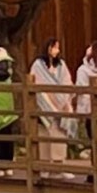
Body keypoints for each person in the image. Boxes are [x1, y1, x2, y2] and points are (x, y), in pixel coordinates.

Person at [28, 37, 77, 169]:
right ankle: (44, 167)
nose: (57, 50)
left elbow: (67, 82)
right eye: (55, 47)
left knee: (59, 135)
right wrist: (49, 101)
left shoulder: (61, 65)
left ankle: (59, 166)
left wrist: (64, 101)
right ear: (48, 48)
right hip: (44, 106)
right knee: (44, 136)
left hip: (62, 105)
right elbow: (36, 84)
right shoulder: (37, 65)